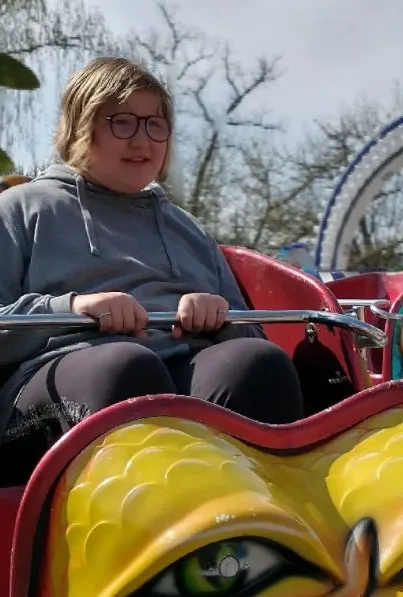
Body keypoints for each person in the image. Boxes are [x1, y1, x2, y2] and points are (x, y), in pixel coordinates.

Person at [0, 56, 303, 481]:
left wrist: (219, 319)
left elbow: (250, 330)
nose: (142, 140)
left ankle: (253, 532)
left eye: (154, 124)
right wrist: (73, 308)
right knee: (125, 367)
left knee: (255, 363)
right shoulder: (20, 210)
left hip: (180, 371)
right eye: (122, 122)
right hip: (51, 390)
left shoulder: (189, 230)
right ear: (79, 126)